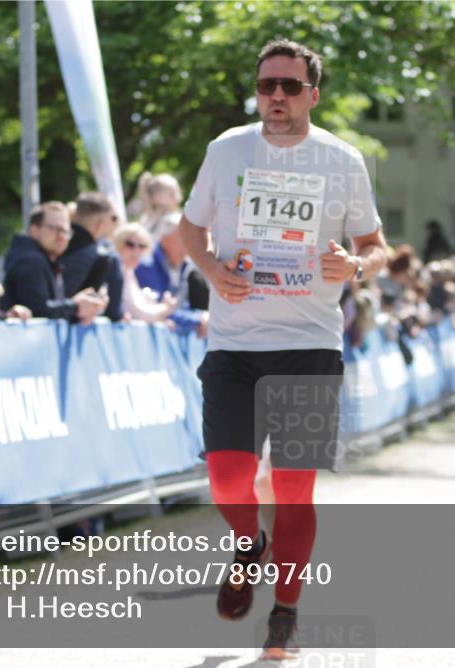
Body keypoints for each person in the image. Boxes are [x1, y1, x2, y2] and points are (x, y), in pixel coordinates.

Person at [179, 39, 387, 660]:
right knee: (228, 479)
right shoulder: (227, 150)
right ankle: (248, 546)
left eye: (289, 87)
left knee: (294, 489)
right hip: (236, 340)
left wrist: (355, 266)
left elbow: (377, 246)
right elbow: (190, 228)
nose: (275, 96)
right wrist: (214, 272)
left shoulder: (342, 160)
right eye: (267, 85)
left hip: (308, 343)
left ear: (312, 95)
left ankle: (286, 614)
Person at [1, 201, 107, 324]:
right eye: (54, 229)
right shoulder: (31, 261)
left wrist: (84, 308)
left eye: (66, 231)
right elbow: (38, 311)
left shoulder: (46, 260)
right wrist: (75, 306)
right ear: (34, 230)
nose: (61, 236)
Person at [135, 216, 210, 336]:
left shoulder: (184, 265)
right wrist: (197, 319)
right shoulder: (146, 265)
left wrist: (202, 317)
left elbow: (181, 306)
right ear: (165, 240)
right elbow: (158, 308)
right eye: (184, 237)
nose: (189, 243)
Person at [59, 192, 124, 321]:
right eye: (114, 218)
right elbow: (114, 312)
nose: (116, 224)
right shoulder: (103, 258)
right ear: (99, 224)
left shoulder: (49, 247)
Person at [113, 223, 176, 324]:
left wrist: (162, 315)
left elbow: (143, 308)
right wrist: (165, 309)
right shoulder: (118, 269)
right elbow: (138, 312)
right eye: (130, 244)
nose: (136, 250)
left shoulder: (129, 272)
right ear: (119, 244)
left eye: (142, 246)